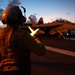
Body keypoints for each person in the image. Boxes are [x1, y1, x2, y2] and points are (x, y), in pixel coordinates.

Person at [0, 6, 46, 75]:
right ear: (18, 18)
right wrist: (37, 39)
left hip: (3, 71)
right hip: (21, 71)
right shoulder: (23, 34)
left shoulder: (0, 33)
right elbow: (41, 51)